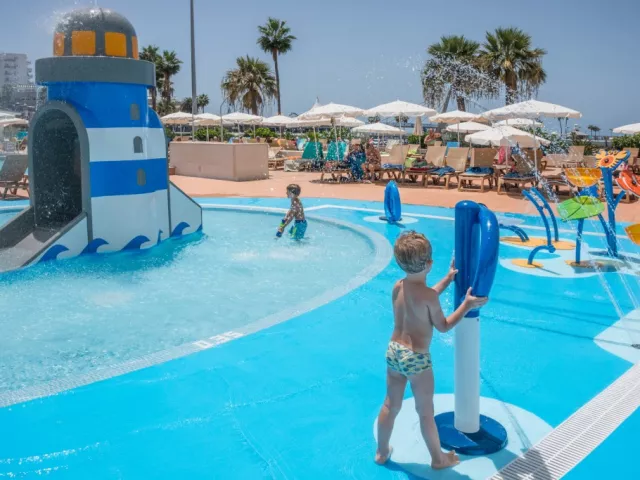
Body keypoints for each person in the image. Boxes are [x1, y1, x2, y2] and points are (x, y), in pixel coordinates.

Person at [375, 231, 488, 470]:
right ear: (429, 264)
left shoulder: (398, 286)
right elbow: (443, 326)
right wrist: (466, 305)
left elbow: (422, 299)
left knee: (390, 405)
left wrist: (447, 279)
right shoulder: (428, 297)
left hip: (394, 351)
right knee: (425, 413)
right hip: (416, 358)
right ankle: (438, 459)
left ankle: (381, 452)